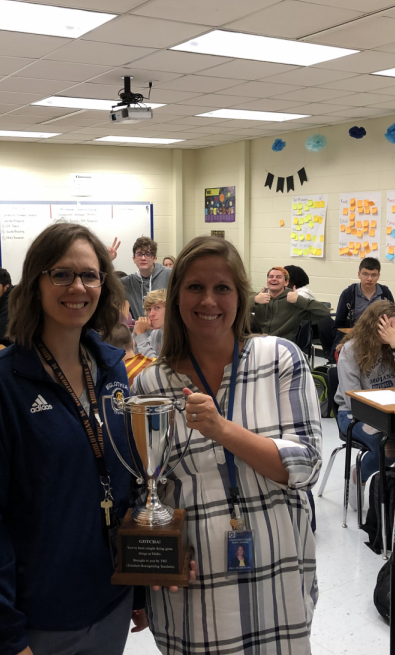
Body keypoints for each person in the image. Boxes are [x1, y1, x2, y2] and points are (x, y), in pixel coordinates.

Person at [0, 223, 144, 655]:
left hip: (110, 600)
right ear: (35, 283)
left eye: (90, 275)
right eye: (61, 274)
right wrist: (4, 629)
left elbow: (125, 482)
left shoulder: (113, 370)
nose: (78, 286)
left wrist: (141, 585)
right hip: (37, 620)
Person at [133, 236, 322, 655]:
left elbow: (305, 465)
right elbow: (150, 491)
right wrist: (161, 556)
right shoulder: (151, 384)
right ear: (177, 295)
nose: (209, 300)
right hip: (195, 582)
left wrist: (221, 428)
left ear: (241, 295)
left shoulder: (281, 359)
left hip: (276, 564)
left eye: (222, 288)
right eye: (195, 287)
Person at [333, 300, 395, 497]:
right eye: (388, 327)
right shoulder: (351, 350)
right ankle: (359, 474)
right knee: (389, 448)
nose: (393, 332)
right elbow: (352, 399)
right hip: (355, 414)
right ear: (374, 325)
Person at [335, 258, 395, 331]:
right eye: (365, 274)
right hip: (355, 337)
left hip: (381, 337)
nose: (369, 279)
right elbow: (338, 325)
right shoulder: (348, 294)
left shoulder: (385, 293)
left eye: (374, 275)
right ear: (359, 274)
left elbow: (391, 319)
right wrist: (339, 344)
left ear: (378, 276)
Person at [250, 265, 330, 339]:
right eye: (271, 277)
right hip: (258, 341)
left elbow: (324, 312)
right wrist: (254, 300)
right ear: (267, 281)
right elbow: (239, 308)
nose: (274, 279)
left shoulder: (293, 300)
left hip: (282, 345)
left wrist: (298, 300)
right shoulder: (260, 296)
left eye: (278, 277)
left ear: (286, 282)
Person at [120, 236, 171, 319]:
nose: (143, 258)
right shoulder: (128, 282)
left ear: (155, 258)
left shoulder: (168, 274)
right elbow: (105, 285)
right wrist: (108, 259)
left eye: (148, 254)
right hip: (141, 330)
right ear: (134, 259)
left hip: (165, 330)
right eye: (139, 254)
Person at [133, 289, 165, 359]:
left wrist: (140, 334)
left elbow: (158, 366)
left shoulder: (179, 335)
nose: (151, 314)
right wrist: (136, 333)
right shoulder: (155, 333)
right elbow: (136, 356)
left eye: (157, 307)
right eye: (149, 309)